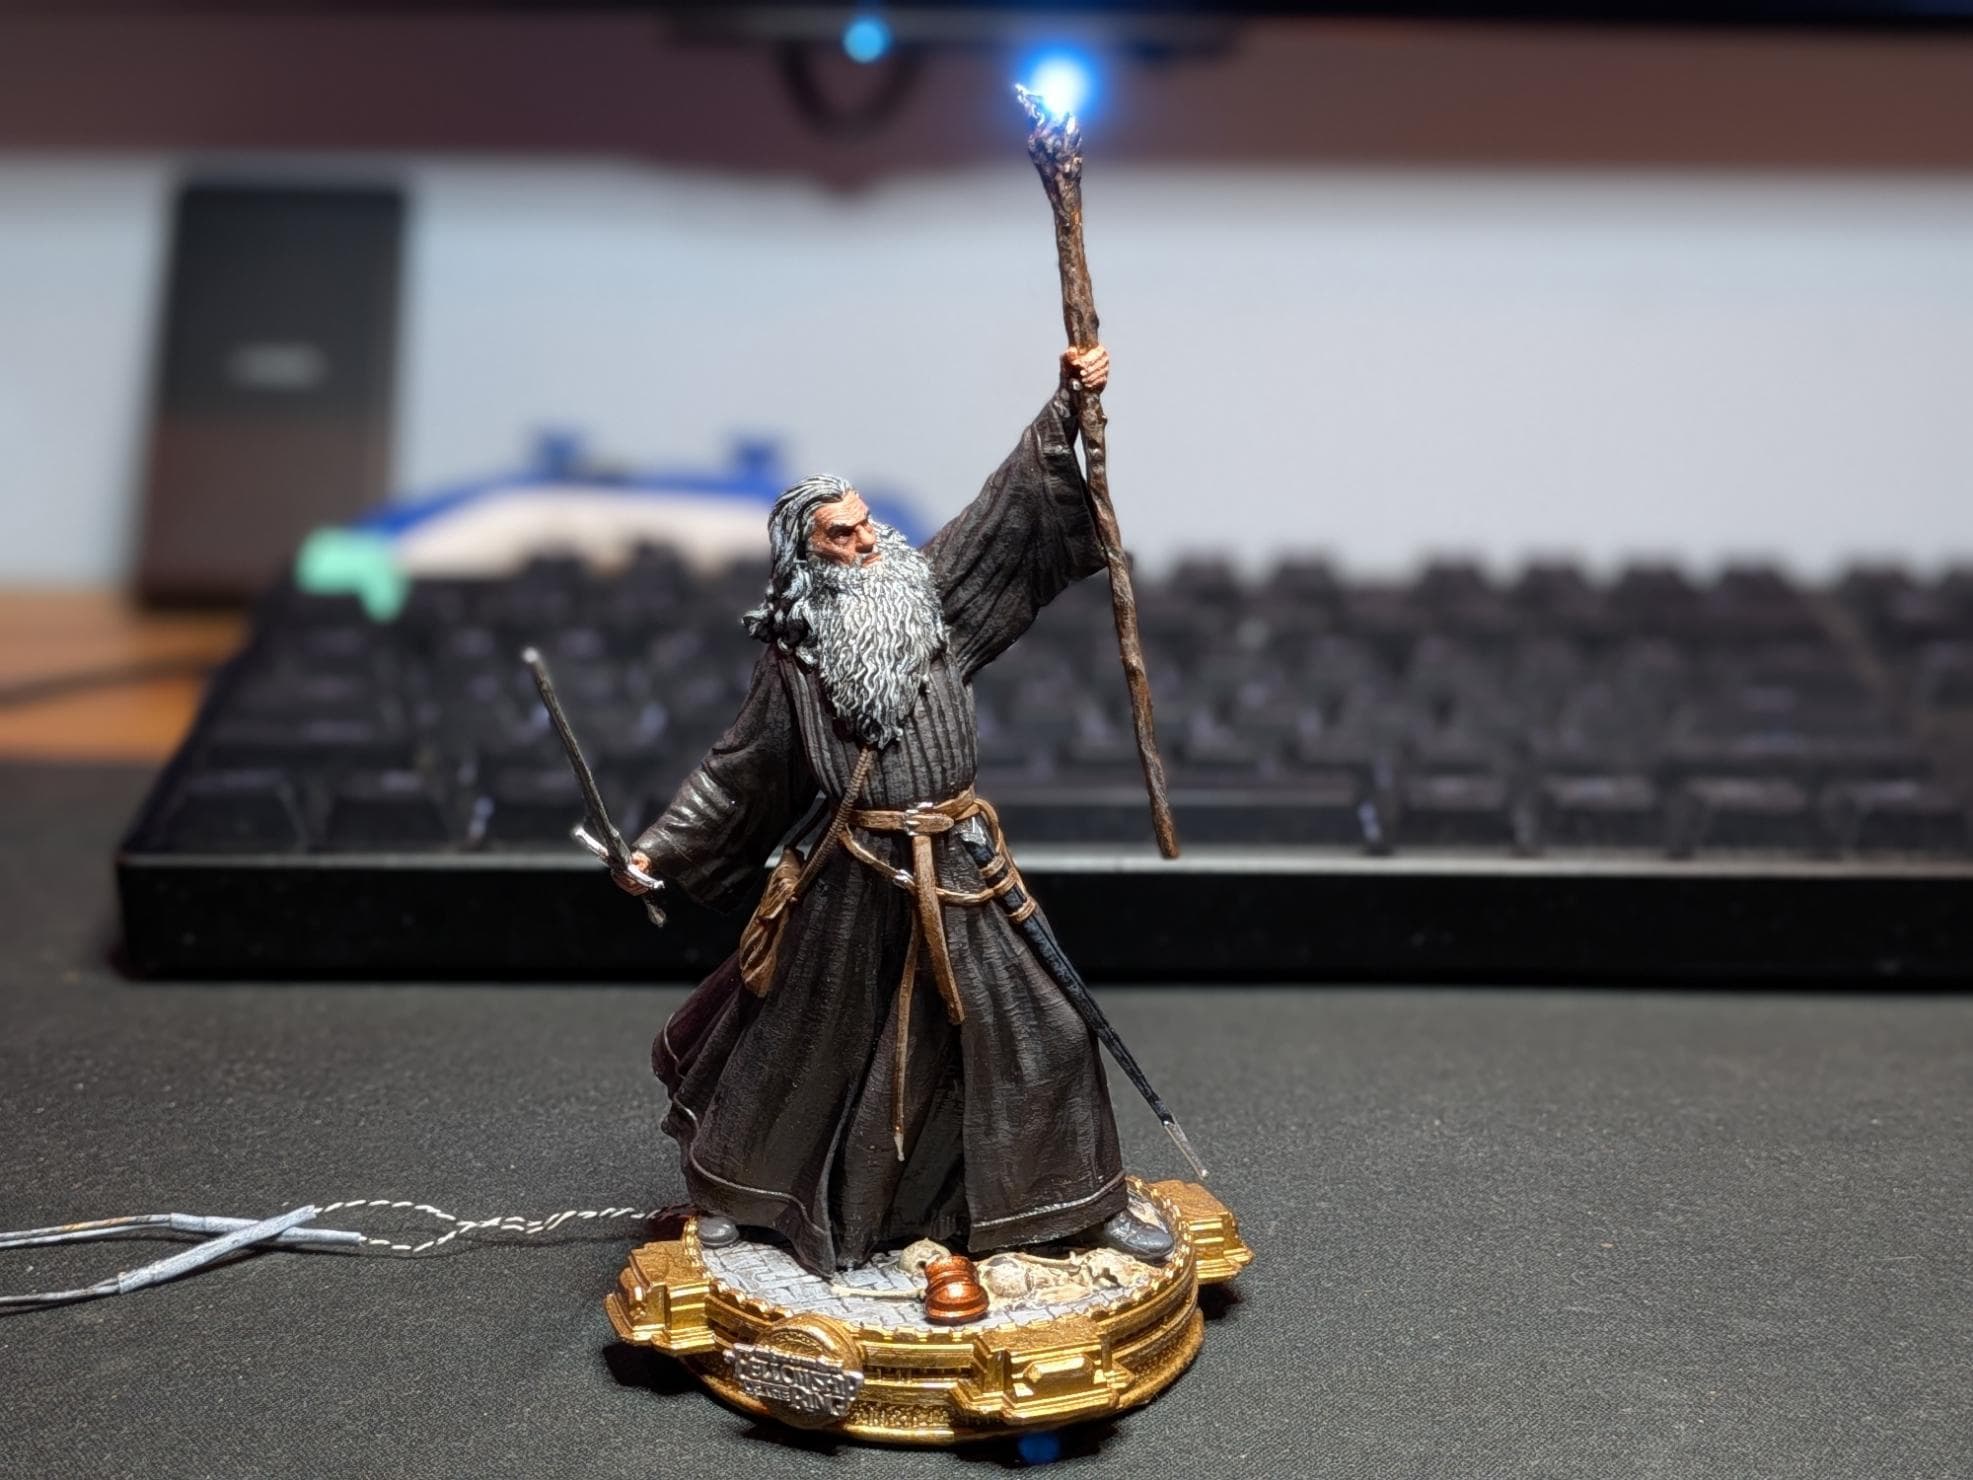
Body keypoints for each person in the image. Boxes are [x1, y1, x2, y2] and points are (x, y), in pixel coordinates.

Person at [617, 344, 1171, 1277]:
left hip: (956, 863)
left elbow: (1004, 509)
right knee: (798, 1040)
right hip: (854, 873)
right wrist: (657, 854)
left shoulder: (930, 598)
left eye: (867, 522)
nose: (868, 540)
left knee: (1047, 1025)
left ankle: (1075, 1203)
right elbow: (738, 769)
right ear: (808, 554)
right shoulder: (795, 661)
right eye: (842, 534)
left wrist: (1065, 405)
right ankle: (733, 1193)